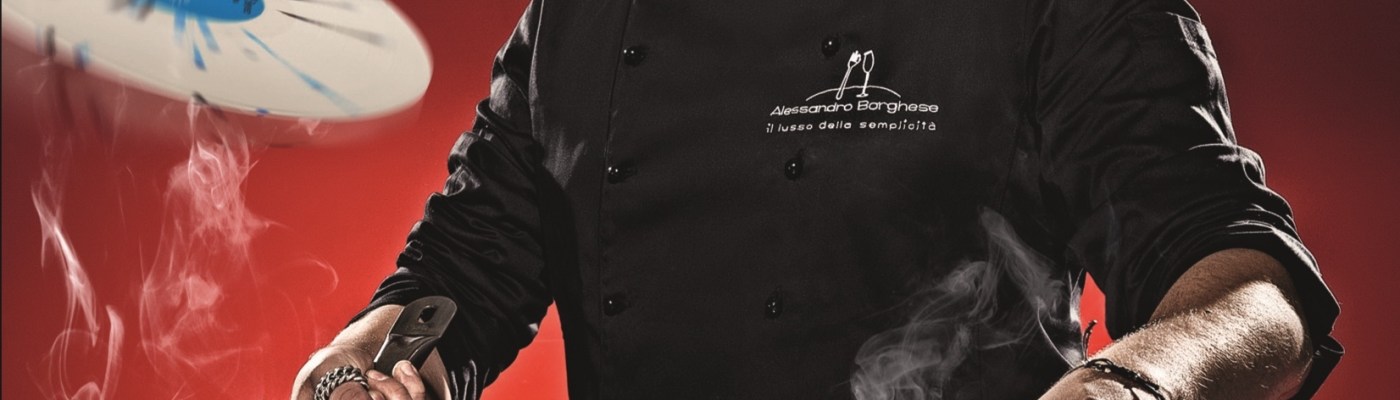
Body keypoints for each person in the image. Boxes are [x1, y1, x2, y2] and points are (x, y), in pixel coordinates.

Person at [292, 0, 1343, 398]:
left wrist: (1130, 388)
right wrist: (355, 374)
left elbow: (1254, 290)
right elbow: (457, 277)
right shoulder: (580, 15)